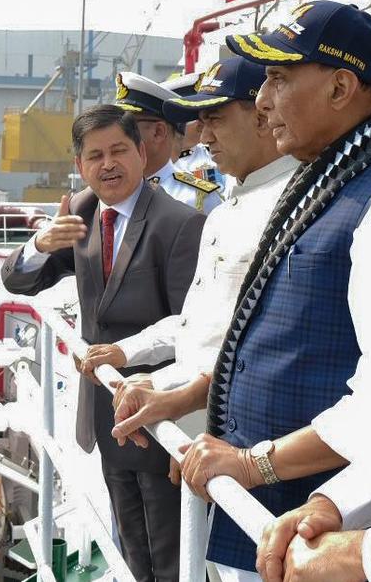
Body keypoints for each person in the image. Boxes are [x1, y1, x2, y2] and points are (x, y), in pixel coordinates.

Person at [168, 0, 371, 582]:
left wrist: (258, 464)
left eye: (278, 78)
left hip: (322, 543)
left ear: (340, 88)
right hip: (290, 525)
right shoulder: (336, 181)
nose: (262, 100)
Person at [1, 104, 205, 582]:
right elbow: (17, 281)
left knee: (171, 556)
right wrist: (40, 244)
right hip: (104, 411)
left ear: (141, 153)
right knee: (130, 547)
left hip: (159, 414)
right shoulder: (83, 213)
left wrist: (174, 407)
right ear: (80, 165)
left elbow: (191, 327)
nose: (108, 164)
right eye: (95, 156)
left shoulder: (178, 224)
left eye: (118, 151)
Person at [80, 57, 296, 451]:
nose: (203, 137)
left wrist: (169, 388)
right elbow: (199, 322)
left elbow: (266, 348)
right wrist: (128, 352)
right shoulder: (228, 211)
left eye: (215, 120)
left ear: (262, 117)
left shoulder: (293, 207)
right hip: (203, 426)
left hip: (250, 440)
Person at [116, 72, 223, 213]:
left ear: (158, 132)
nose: (116, 135)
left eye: (127, 126)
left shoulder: (195, 198)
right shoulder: (109, 191)